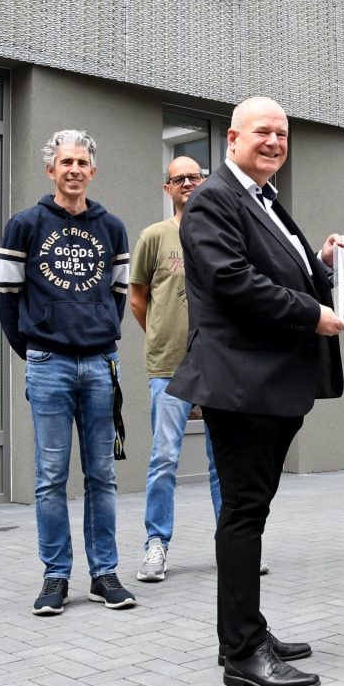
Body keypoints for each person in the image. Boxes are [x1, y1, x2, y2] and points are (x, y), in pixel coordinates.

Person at [168, 96, 344, 686]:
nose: (274, 141)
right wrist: (313, 314)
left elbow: (280, 270)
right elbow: (232, 281)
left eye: (283, 133)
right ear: (233, 140)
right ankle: (242, 653)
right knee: (243, 514)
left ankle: (249, 627)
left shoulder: (262, 199)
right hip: (242, 385)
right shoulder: (213, 198)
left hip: (272, 383)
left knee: (252, 510)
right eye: (262, 132)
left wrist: (320, 263)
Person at [0, 129, 136, 616]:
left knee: (101, 475)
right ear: (50, 170)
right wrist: (34, 348)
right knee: (50, 477)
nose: (74, 170)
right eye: (65, 162)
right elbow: (6, 298)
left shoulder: (113, 227)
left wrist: (98, 333)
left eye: (82, 162)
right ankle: (56, 577)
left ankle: (104, 575)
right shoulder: (24, 224)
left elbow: (119, 294)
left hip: (100, 363)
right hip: (48, 364)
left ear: (92, 171)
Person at [130, 157, 223, 583]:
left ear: (204, 183)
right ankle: (156, 545)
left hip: (217, 365)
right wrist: (163, 338)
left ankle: (231, 544)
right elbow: (137, 299)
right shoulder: (154, 237)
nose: (187, 182)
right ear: (167, 188)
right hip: (167, 366)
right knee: (165, 457)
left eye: (194, 177)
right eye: (178, 178)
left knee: (223, 460)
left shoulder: (222, 234)